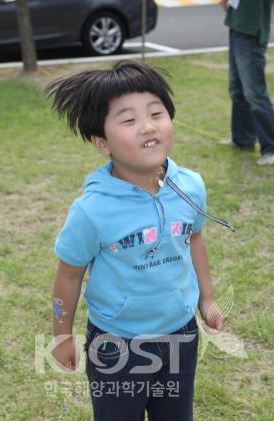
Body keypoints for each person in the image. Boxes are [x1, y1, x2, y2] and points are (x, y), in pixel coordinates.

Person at [46, 62, 231, 421]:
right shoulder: (92, 210)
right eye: (128, 120)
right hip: (115, 345)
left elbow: (194, 239)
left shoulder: (190, 186)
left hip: (180, 334)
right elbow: (69, 276)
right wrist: (60, 335)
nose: (147, 126)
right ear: (102, 142)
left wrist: (206, 299)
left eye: (156, 113)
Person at [218, 0, 274, 166]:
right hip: (238, 24)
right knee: (237, 89)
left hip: (251, 30)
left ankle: (271, 148)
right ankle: (242, 139)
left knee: (255, 93)